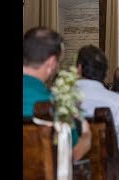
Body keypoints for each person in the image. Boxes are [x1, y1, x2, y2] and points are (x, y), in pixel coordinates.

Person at [23, 27, 91, 161]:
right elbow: (73, 153)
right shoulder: (56, 103)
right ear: (51, 62)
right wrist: (87, 134)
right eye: (58, 63)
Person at [76, 45, 119, 152]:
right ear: (105, 72)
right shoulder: (117, 101)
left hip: (68, 164)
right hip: (107, 165)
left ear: (79, 68)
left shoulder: (61, 97)